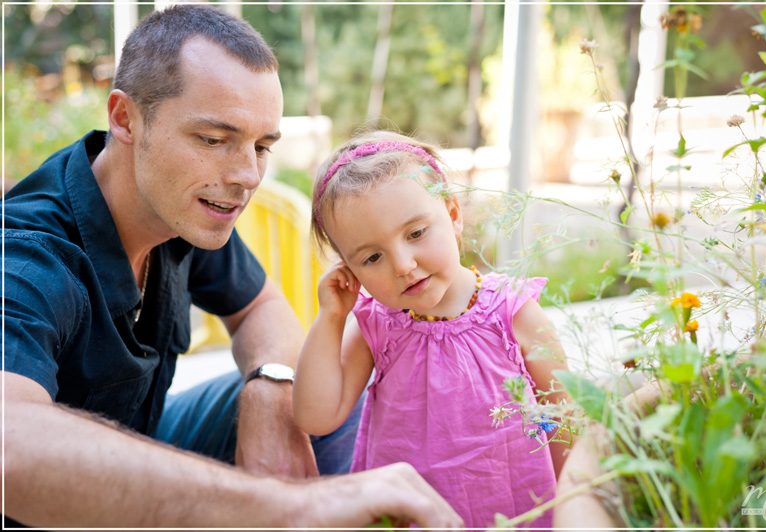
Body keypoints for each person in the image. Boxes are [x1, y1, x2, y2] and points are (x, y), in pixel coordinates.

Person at [3, 5, 462, 529]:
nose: (246, 176)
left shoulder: (181, 204)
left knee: (324, 398)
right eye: (214, 140)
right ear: (125, 118)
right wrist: (294, 507)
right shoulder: (25, 258)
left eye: (261, 145)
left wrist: (271, 387)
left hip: (148, 431)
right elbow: (9, 446)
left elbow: (260, 305)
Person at [293, 130, 573, 529]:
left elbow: (566, 418)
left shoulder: (513, 312)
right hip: (413, 517)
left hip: (517, 508)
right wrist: (331, 318)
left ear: (453, 215)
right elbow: (316, 418)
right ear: (349, 269)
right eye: (372, 257)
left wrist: (577, 509)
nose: (403, 264)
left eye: (416, 233)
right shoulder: (375, 325)